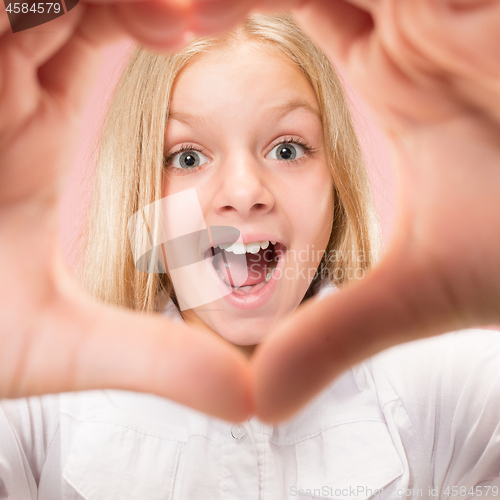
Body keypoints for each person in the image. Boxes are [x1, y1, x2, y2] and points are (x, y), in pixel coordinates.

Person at [1, 12, 500, 499]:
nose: (244, 192)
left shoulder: (449, 390)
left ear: (336, 180)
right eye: (188, 157)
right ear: (138, 194)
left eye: (287, 149)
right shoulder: (37, 407)